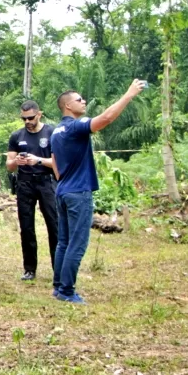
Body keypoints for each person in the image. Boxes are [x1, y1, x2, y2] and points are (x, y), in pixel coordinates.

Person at [50, 80, 147, 304]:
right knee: (77, 242)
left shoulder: (56, 132)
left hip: (63, 190)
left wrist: (65, 180)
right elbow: (105, 119)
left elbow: (55, 163)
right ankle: (66, 290)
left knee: (64, 241)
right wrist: (128, 95)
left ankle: (58, 287)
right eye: (78, 99)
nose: (83, 102)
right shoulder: (75, 126)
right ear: (67, 106)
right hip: (78, 192)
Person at [6, 100, 58, 283]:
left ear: (39, 114)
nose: (27, 121)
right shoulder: (16, 136)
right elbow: (9, 166)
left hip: (46, 181)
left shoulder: (51, 133)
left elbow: (57, 163)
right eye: (24, 118)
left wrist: (37, 160)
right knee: (26, 227)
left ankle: (57, 268)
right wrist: (16, 162)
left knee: (54, 225)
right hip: (25, 183)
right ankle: (29, 269)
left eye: (30, 118)